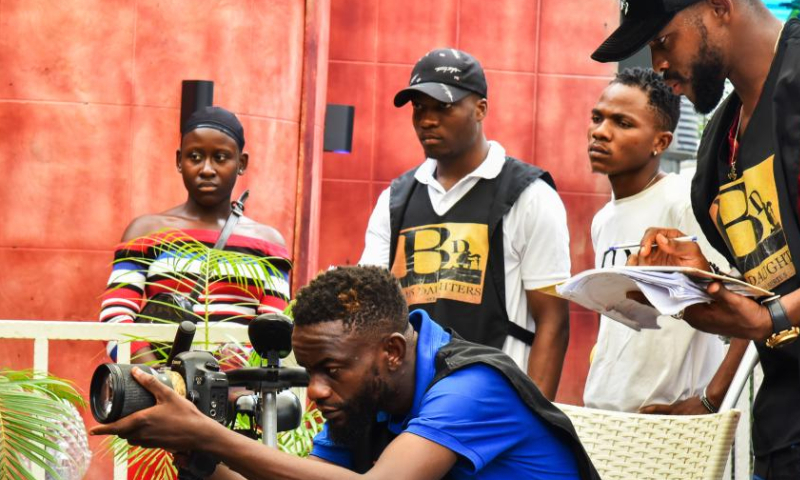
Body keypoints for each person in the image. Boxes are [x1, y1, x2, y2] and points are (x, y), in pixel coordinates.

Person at [91, 266, 601, 480]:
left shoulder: (474, 387)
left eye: (331, 370)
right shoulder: (366, 402)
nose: (315, 390)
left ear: (394, 352)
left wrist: (212, 434)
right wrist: (198, 456)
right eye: (310, 370)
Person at [592, 0, 800, 477]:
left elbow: (770, 309)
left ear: (720, 7)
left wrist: (769, 317)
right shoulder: (717, 150)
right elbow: (768, 279)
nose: (658, 66)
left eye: (664, 42)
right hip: (783, 429)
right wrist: (697, 277)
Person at [359, 48, 571, 399]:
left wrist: (536, 421)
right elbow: (370, 311)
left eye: (443, 107)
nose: (427, 120)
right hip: (410, 405)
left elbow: (553, 321)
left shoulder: (529, 195)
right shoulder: (395, 200)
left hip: (495, 404)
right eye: (419, 108)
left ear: (481, 109)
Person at [583, 66, 748, 414]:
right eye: (597, 118)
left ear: (661, 142)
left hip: (669, 420)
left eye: (622, 123)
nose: (600, 132)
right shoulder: (603, 220)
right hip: (605, 414)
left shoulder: (684, 201)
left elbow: (751, 302)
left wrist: (710, 400)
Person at [98, 106, 291, 363]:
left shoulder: (269, 244)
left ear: (241, 163)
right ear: (179, 161)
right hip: (160, 388)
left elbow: (272, 329)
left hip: (239, 393)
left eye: (220, 157)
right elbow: (116, 316)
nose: (207, 169)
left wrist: (228, 383)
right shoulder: (146, 232)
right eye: (195, 156)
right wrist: (161, 380)